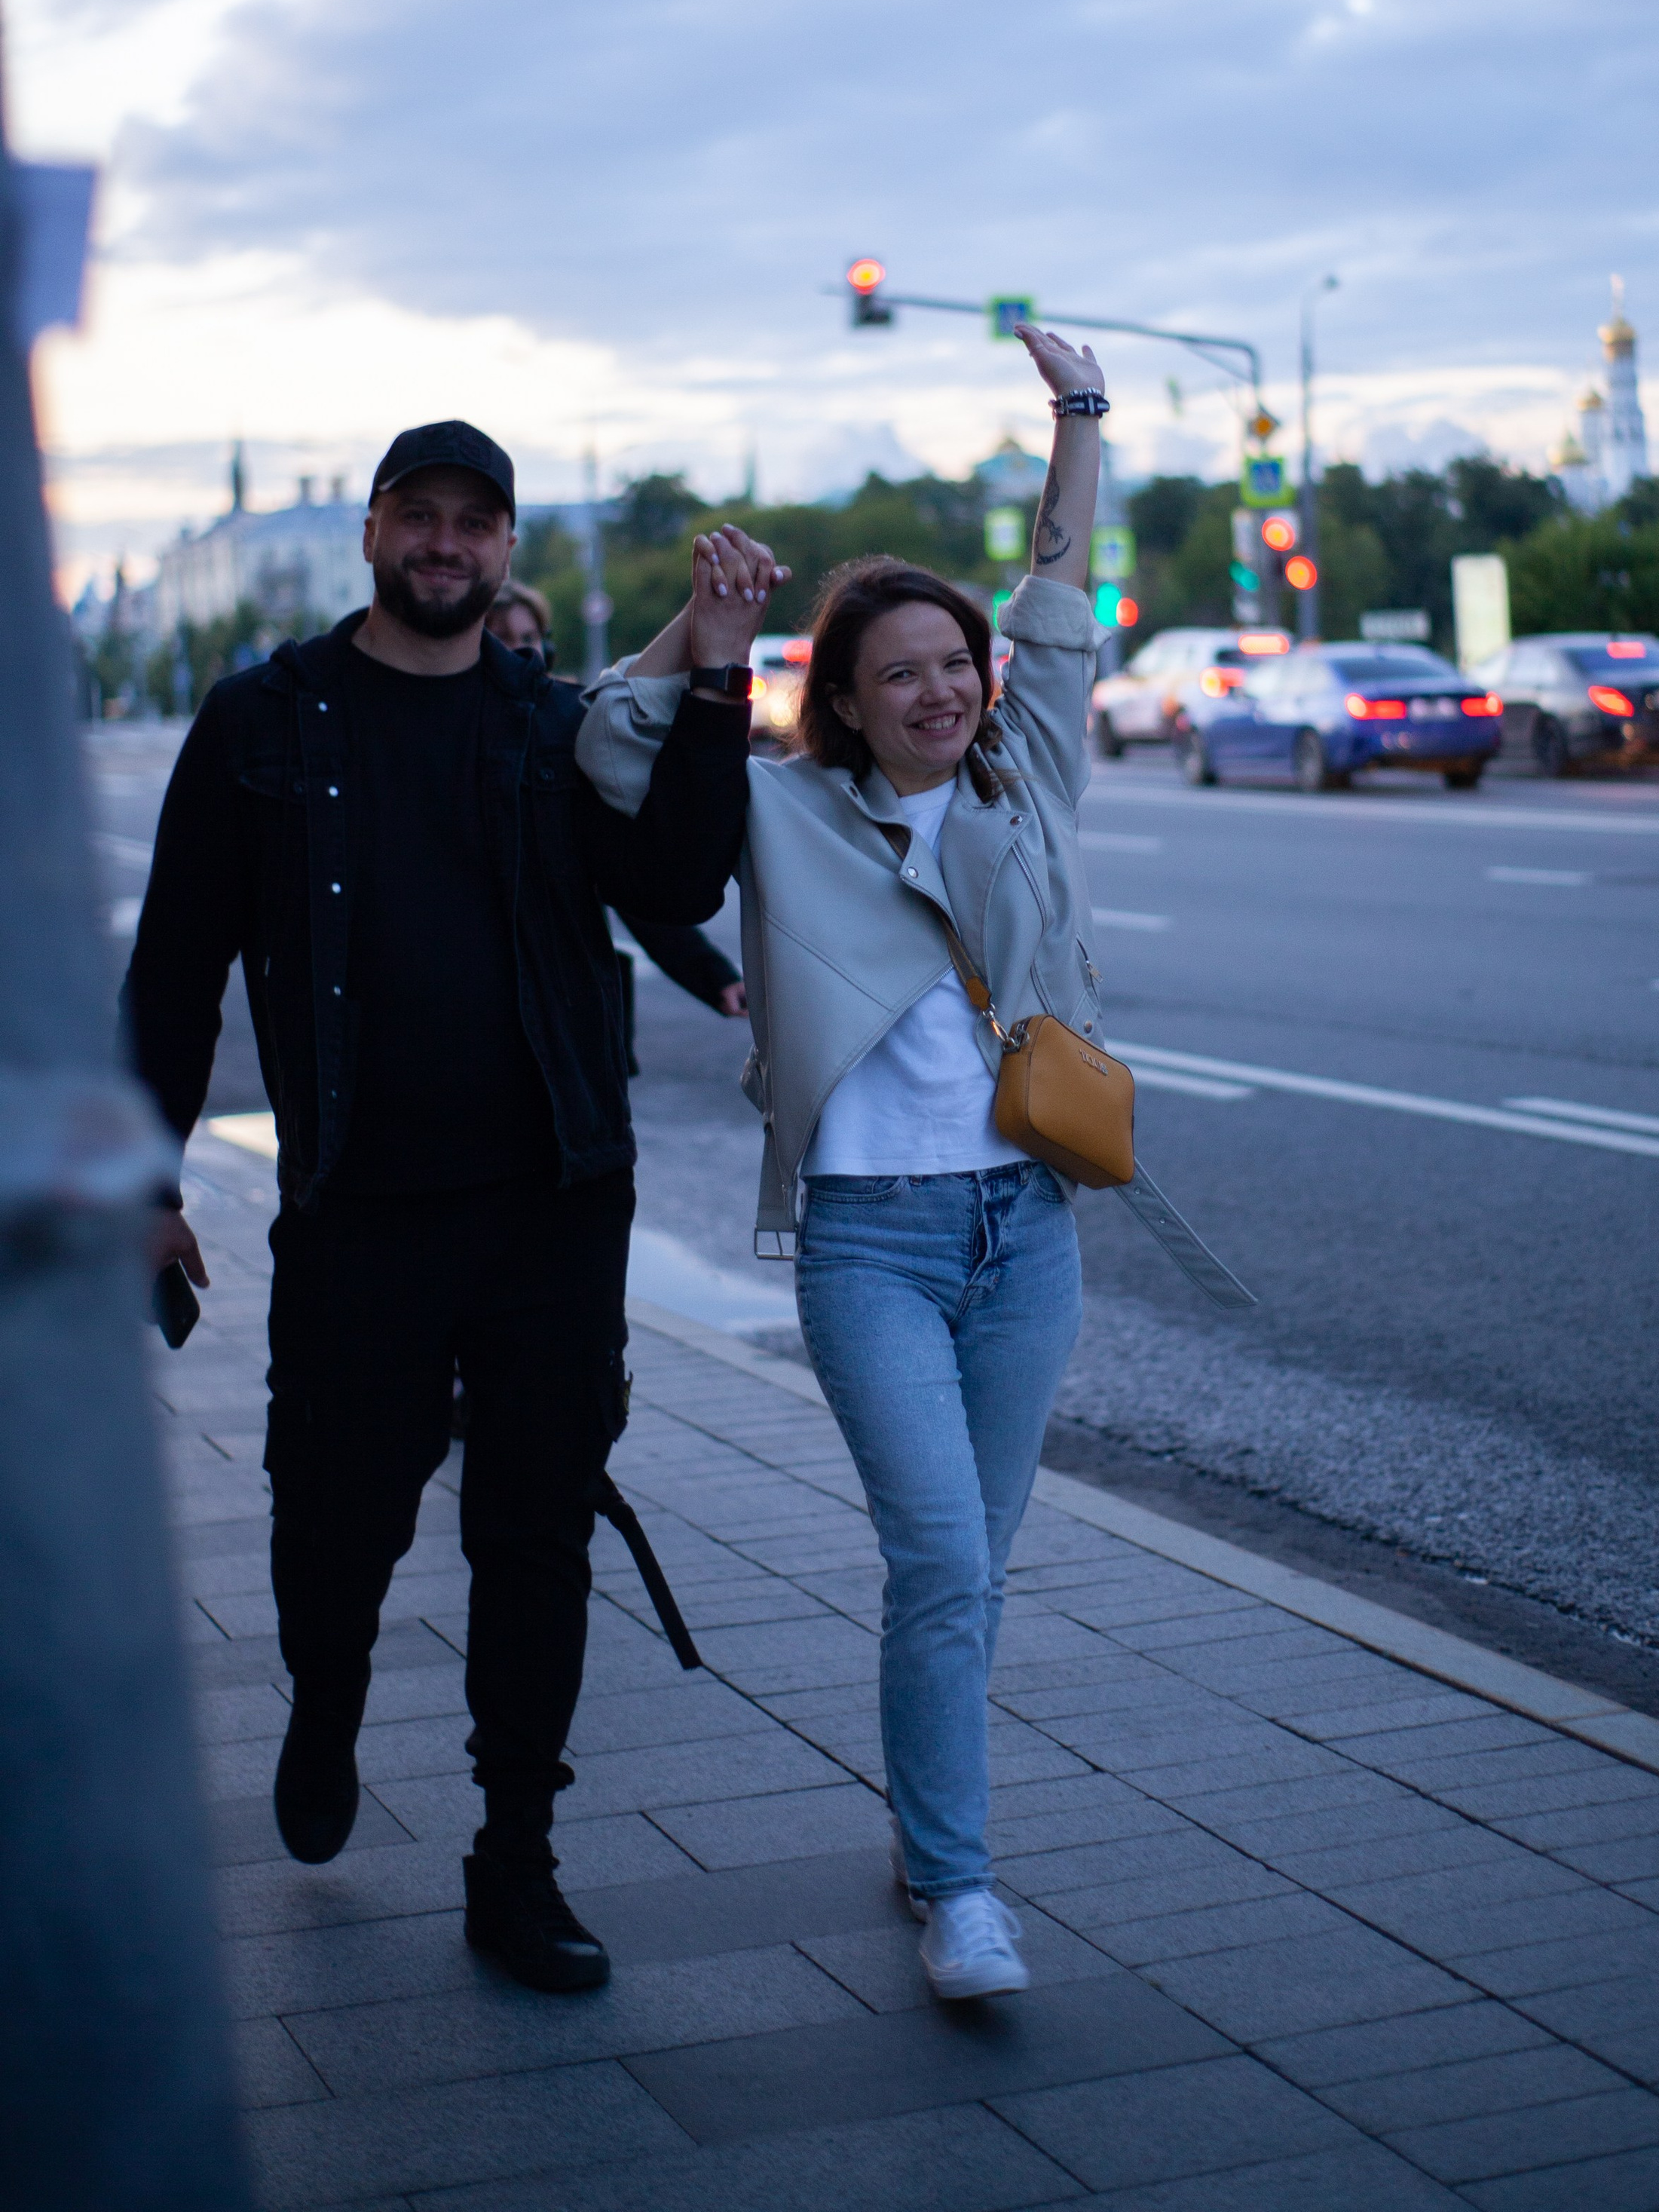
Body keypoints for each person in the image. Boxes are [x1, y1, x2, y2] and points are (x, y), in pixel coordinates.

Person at [123, 419, 777, 1992]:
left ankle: (515, 1864)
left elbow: (678, 882)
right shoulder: (261, 723)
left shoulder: (556, 725)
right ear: (370, 534)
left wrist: (720, 677)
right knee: (333, 1523)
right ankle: (328, 1694)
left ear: (504, 556)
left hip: (556, 1202)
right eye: (419, 516)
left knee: (535, 1533)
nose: (446, 545)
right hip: (357, 1208)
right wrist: (147, 1182)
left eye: (475, 524)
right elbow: (173, 973)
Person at [577, 328, 1110, 2000]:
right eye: (901, 673)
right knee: (940, 1559)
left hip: (1025, 1233)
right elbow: (605, 739)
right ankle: (959, 1890)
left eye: (955, 662)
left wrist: (1078, 420)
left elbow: (1058, 597)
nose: (942, 688)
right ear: (848, 699)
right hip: (870, 1244)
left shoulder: (1032, 778)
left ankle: (923, 1836)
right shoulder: (777, 810)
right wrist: (702, 628)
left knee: (974, 1567)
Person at [486, 578, 747, 1022]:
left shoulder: (571, 724)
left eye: (528, 638)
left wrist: (713, 975)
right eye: (503, 639)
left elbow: (629, 880)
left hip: (570, 1000)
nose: (521, 651)